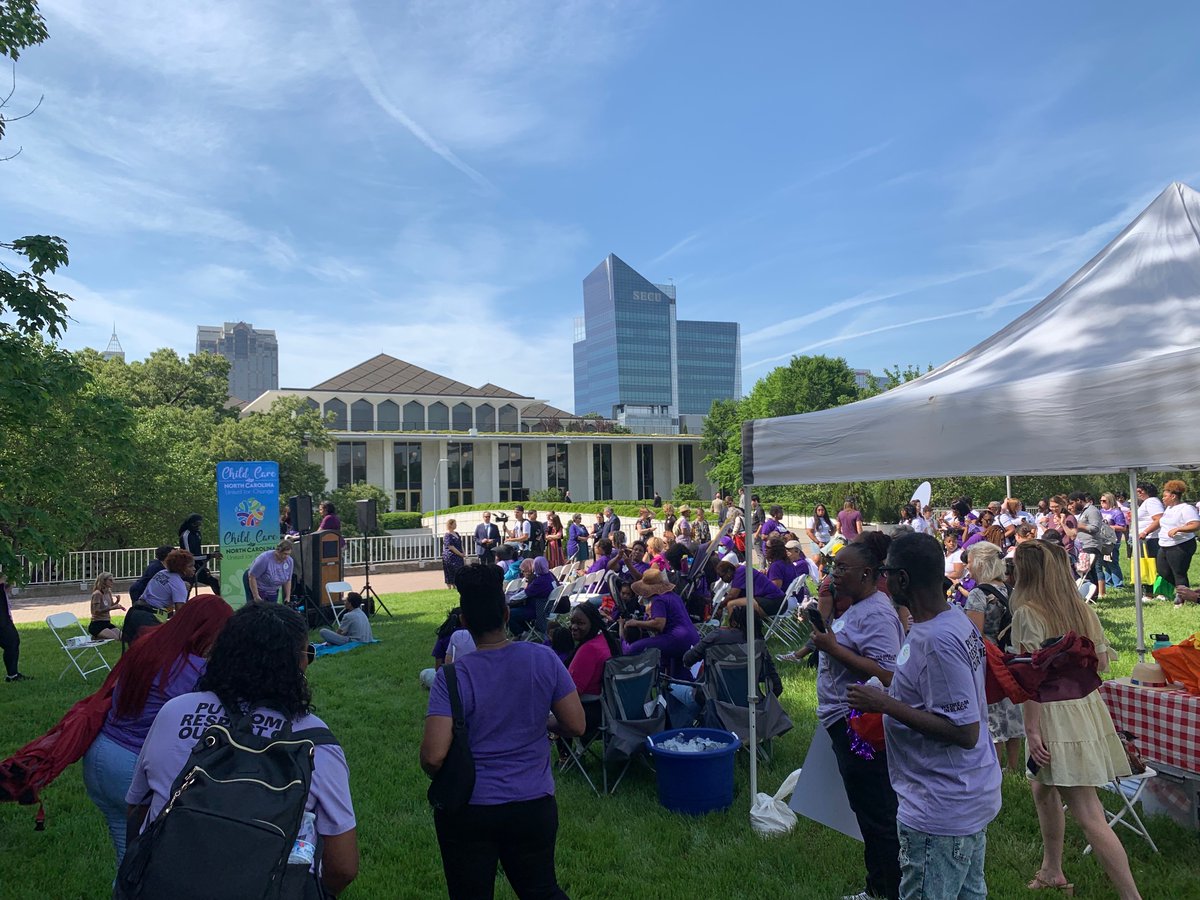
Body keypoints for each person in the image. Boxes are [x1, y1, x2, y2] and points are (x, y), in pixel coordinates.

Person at [127, 603, 359, 896]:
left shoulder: (174, 712)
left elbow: (137, 809)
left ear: (223, 653)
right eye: (308, 654)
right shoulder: (315, 742)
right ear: (296, 665)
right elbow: (343, 866)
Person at [847, 533, 1001, 900]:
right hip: (960, 795)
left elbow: (964, 730)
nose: (882, 580)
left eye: (885, 572)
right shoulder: (952, 622)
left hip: (941, 807)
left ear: (902, 578)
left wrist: (884, 704)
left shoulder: (936, 640)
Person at [421, 564, 584, 900]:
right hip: (533, 803)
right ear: (507, 614)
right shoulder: (543, 658)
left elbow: (433, 758)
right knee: (541, 890)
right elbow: (576, 724)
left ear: (463, 623)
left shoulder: (452, 677)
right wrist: (542, 724)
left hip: (470, 808)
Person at [1010, 540, 1140, 899]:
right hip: (1085, 708)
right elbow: (1102, 664)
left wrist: (1032, 730)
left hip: (1053, 713)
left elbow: (1030, 681)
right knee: (1042, 786)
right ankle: (1052, 870)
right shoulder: (1083, 609)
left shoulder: (1027, 613)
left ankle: (1132, 896)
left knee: (1088, 812)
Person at [84, 594, 232, 867]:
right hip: (134, 767)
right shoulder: (196, 669)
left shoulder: (146, 647)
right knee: (161, 867)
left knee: (129, 861)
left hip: (101, 756)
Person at [810, 540, 904, 900]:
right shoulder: (859, 607)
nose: (834, 572)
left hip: (860, 726)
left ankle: (887, 890)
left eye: (842, 568)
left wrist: (834, 649)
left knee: (876, 810)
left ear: (867, 573)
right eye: (834, 566)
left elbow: (890, 673)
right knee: (866, 808)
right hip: (843, 719)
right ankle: (878, 886)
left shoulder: (877, 614)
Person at [963, 541, 1024, 773]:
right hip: (1011, 657)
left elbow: (974, 634)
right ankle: (1013, 765)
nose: (967, 566)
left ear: (979, 564)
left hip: (989, 659)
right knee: (1012, 709)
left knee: (993, 712)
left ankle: (995, 766)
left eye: (969, 561)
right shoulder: (1012, 590)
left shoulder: (978, 595)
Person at [620, 568, 699, 674]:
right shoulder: (673, 596)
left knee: (632, 649)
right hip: (692, 638)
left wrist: (635, 623)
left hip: (677, 639)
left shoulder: (658, 599)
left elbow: (659, 624)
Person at [1157, 480, 1199, 604]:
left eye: (1165, 496)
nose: (1163, 498)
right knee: (1162, 571)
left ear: (1173, 496)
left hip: (1181, 545)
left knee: (1179, 572)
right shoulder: (1169, 509)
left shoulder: (1186, 508)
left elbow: (1196, 524)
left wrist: (1179, 529)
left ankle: (1181, 598)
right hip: (1164, 544)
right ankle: (1184, 591)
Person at [1064, 491, 1105, 599]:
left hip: (1091, 544)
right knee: (1089, 571)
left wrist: (1078, 525)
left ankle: (1092, 595)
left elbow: (1095, 528)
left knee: (1089, 570)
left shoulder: (1092, 510)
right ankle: (1092, 595)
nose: (1071, 506)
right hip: (1083, 545)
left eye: (1072, 503)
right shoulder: (1083, 511)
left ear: (1079, 500)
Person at [715, 560, 787, 617]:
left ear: (729, 571)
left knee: (731, 604)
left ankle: (734, 632)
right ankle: (743, 630)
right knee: (741, 608)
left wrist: (719, 606)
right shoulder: (741, 570)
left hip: (775, 602)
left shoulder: (740, 572)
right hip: (776, 601)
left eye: (723, 576)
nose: (723, 580)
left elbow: (732, 595)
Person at [140, 549, 195, 615]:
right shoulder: (179, 585)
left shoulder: (162, 573)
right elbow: (180, 614)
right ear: (181, 567)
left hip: (138, 608)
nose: (194, 569)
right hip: (149, 615)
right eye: (190, 566)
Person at [178, 514, 221, 593]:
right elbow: (190, 556)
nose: (198, 526)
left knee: (213, 582)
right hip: (187, 566)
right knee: (186, 588)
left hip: (197, 565)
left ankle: (221, 602)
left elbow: (198, 552)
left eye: (199, 524)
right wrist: (210, 555)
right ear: (190, 523)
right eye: (196, 524)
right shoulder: (186, 535)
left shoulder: (197, 534)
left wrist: (203, 565)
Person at [245, 539, 295, 604]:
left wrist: (287, 597)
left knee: (272, 609)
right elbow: (252, 576)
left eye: (288, 554)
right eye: (285, 554)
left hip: (272, 588)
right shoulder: (264, 558)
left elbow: (288, 580)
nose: (286, 557)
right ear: (278, 551)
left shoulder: (289, 561)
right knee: (257, 608)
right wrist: (256, 596)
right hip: (256, 583)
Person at [1, 572, 28, 682]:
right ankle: (12, 675)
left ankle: (12, 674)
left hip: (4, 617)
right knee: (11, 642)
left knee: (12, 642)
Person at [1098, 492, 1127, 589]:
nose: (1102, 503)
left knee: (1113, 562)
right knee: (1105, 562)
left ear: (1110, 501)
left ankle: (1118, 584)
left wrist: (1109, 527)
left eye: (1104, 501)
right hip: (1102, 541)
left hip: (1113, 541)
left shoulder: (1117, 512)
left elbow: (1122, 527)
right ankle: (1108, 583)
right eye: (1101, 501)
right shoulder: (1101, 511)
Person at [1134, 481, 1165, 565]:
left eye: (1140, 491)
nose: (1138, 494)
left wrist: (1145, 532)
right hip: (1147, 539)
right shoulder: (1147, 502)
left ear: (1148, 491)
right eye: (1137, 492)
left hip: (1151, 539)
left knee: (1152, 566)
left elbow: (1159, 519)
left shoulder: (1151, 501)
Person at [88, 572, 124, 641]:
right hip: (97, 624)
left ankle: (97, 637)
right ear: (103, 581)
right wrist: (112, 608)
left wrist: (117, 602)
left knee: (122, 637)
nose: (112, 582)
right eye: (110, 580)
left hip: (106, 622)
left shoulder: (108, 592)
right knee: (115, 639)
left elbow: (109, 605)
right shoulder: (97, 594)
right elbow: (96, 611)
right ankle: (96, 636)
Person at [442, 519, 466, 589]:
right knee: (451, 570)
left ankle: (457, 584)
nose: (456, 525)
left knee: (459, 570)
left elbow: (460, 543)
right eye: (454, 524)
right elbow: (450, 547)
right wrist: (460, 554)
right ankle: (450, 586)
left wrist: (463, 552)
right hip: (451, 556)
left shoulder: (457, 534)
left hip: (459, 555)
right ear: (450, 525)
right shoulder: (447, 535)